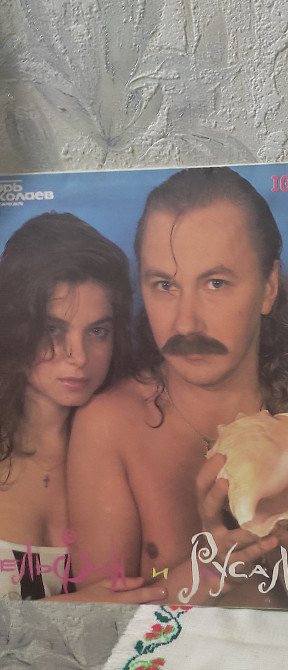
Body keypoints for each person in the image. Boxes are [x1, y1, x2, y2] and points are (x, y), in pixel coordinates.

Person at [67, 167, 288, 609]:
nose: (186, 323)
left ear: (268, 288)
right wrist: (210, 570)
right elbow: (96, 621)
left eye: (216, 283)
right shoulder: (109, 425)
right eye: (165, 285)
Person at [0, 213, 167, 602]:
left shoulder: (128, 449)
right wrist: (82, 605)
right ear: (13, 326)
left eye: (97, 331)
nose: (78, 355)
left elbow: (157, 583)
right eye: (52, 329)